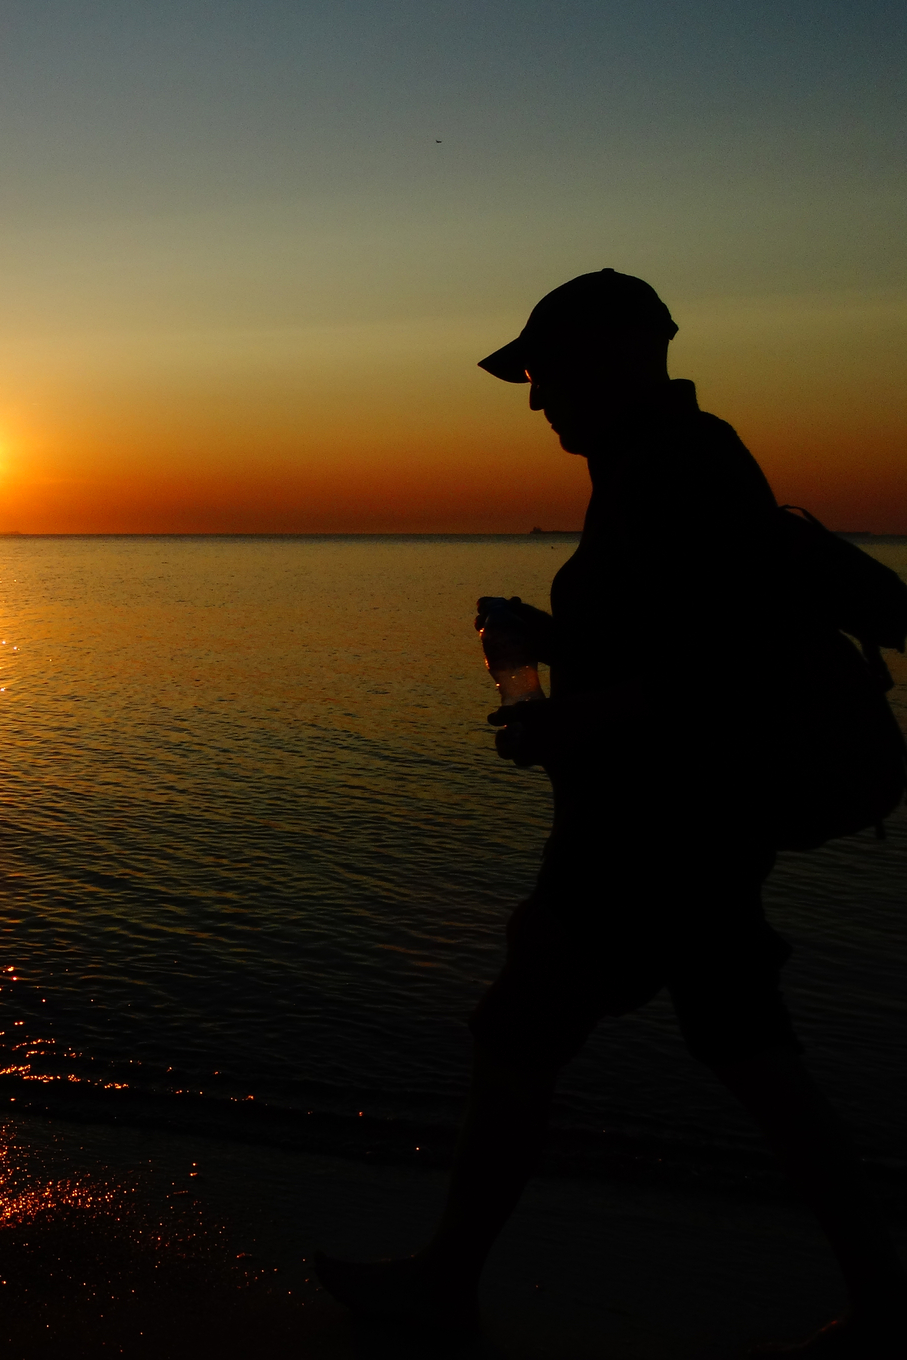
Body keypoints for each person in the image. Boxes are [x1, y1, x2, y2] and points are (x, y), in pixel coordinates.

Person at [313, 270, 906, 1357]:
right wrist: (557, 642)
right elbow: (677, 634)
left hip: (656, 827)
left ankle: (446, 1283)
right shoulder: (655, 463)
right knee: (748, 1048)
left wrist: (575, 720)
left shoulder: (676, 468)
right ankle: (885, 1297)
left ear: (614, 360)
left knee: (523, 1028)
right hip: (692, 821)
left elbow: (730, 665)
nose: (536, 399)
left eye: (545, 374)